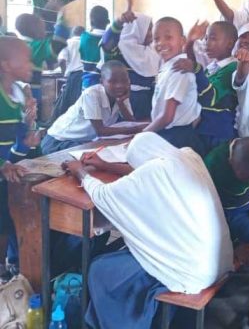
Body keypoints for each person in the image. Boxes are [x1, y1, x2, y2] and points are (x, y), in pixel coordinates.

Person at [61, 132, 233, 328]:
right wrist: (105, 165)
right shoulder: (187, 157)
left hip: (191, 272)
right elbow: (143, 172)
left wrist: (80, 171)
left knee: (100, 269)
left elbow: (102, 194)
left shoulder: (152, 174)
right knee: (123, 255)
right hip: (216, 260)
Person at [0, 37, 39, 281]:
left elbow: (11, 149)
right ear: (5, 65)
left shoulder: (16, 97)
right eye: (26, 60)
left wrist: (26, 139)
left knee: (5, 220)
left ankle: (3, 269)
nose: (31, 65)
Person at [41, 61, 144, 154]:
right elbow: (101, 131)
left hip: (83, 141)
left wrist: (121, 103)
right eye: (113, 81)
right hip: (59, 141)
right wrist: (134, 129)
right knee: (96, 157)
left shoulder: (120, 95)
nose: (119, 86)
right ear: (102, 82)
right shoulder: (91, 94)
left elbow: (130, 121)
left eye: (124, 81)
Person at [143, 17, 203, 155]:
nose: (161, 43)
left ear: (182, 41)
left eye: (168, 37)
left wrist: (142, 135)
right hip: (168, 132)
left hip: (177, 138)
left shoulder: (178, 68)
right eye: (156, 39)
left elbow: (167, 117)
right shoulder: (167, 66)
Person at [101, 0, 160, 120]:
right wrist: (119, 22)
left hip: (148, 100)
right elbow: (107, 42)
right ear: (138, 29)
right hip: (127, 100)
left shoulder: (151, 51)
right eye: (149, 29)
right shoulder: (121, 48)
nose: (152, 33)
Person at [204, 137, 249, 250]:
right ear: (231, 161)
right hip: (232, 213)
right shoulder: (213, 163)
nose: (244, 178)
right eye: (241, 176)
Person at [191, 21, 239, 152]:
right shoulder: (211, 68)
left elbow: (209, 97)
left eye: (212, 38)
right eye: (206, 38)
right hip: (204, 129)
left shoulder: (232, 68)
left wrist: (195, 68)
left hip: (219, 132)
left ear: (230, 43)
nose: (207, 42)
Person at [15, 13, 69, 120]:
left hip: (14, 92)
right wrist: (61, 22)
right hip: (31, 94)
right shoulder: (35, 45)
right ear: (34, 29)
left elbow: (50, 62)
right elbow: (57, 44)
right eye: (42, 28)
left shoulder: (15, 44)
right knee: (30, 123)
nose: (45, 31)